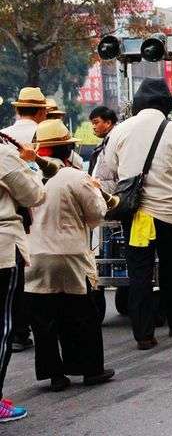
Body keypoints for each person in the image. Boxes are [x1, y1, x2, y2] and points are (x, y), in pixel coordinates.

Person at [103, 79, 172, 350]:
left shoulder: (120, 130)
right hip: (169, 214)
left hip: (136, 215)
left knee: (140, 272)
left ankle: (144, 334)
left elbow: (110, 169)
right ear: (165, 105)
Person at [25, 120, 115, 392]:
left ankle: (55, 375)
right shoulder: (74, 177)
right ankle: (89, 370)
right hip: (69, 254)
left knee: (44, 318)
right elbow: (96, 214)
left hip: (34, 254)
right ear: (67, 149)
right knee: (81, 315)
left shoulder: (25, 176)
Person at [0, 126, 44, 422]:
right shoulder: (4, 154)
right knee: (2, 327)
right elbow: (34, 195)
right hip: (2, 245)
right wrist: (29, 163)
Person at [1, 87, 47, 354]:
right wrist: (31, 165)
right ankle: (21, 330)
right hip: (19, 224)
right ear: (41, 111)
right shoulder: (36, 136)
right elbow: (33, 194)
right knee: (15, 291)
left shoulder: (7, 134)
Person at [87, 106, 118, 192]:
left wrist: (100, 187)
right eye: (92, 123)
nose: (93, 127)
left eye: (96, 123)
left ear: (108, 123)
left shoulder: (116, 140)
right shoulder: (105, 142)